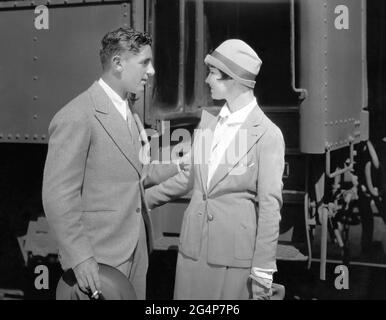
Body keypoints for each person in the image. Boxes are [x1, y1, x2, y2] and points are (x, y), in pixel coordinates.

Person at [42, 27, 180, 300]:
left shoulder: (127, 111)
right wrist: (80, 258)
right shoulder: (77, 115)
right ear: (117, 63)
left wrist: (179, 165)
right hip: (99, 258)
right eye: (144, 62)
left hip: (135, 252)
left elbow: (135, 174)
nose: (151, 71)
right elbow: (58, 196)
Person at [146, 39, 285, 299]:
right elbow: (192, 178)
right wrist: (142, 202)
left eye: (212, 73)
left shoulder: (267, 135)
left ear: (231, 79)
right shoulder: (209, 124)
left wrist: (263, 271)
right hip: (191, 250)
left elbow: (270, 205)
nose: (207, 80)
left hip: (231, 259)